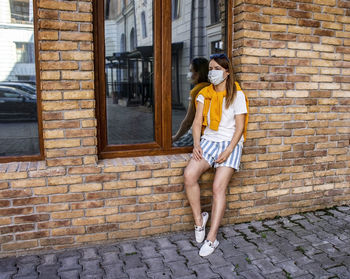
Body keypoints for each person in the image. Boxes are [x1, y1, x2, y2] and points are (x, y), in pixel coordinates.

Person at [184, 53, 249, 257]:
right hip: (209, 141)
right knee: (189, 176)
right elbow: (197, 122)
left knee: (217, 187)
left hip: (230, 143)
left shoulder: (237, 95)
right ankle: (199, 220)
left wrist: (228, 150)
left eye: (217, 69)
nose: (213, 73)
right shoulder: (204, 93)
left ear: (227, 72)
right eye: (210, 69)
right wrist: (196, 145)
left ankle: (212, 238)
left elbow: (239, 128)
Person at [172, 57, 210, 147]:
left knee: (173, 146)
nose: (188, 74)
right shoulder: (211, 87)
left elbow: (188, 121)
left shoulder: (197, 91)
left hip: (198, 134)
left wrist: (175, 137)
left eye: (190, 71)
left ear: (197, 74)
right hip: (209, 134)